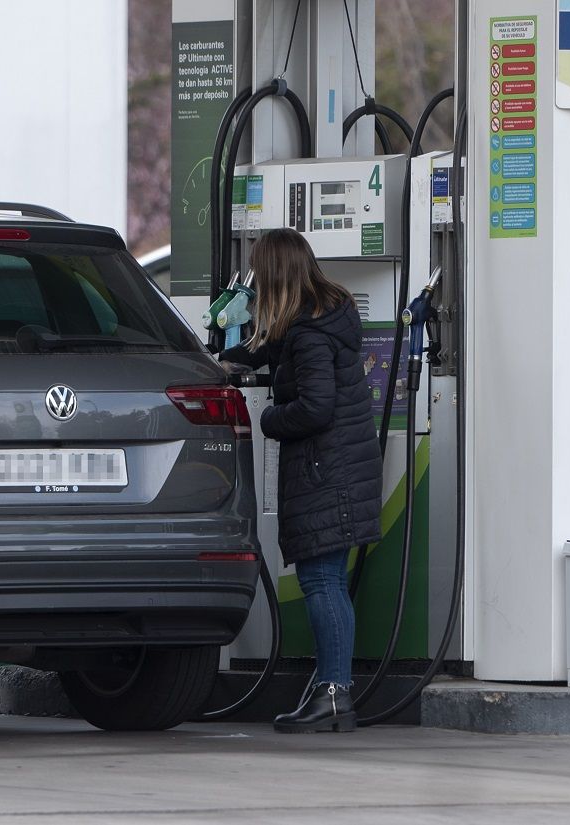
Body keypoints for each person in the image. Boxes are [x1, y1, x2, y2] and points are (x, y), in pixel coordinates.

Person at [221, 228, 383, 733]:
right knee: (327, 580)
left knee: (322, 582)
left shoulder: (309, 334)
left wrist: (268, 420)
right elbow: (270, 350)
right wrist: (227, 359)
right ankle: (331, 689)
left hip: (325, 473)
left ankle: (335, 694)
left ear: (275, 275)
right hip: (336, 471)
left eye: (258, 273)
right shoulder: (316, 321)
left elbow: (315, 407)